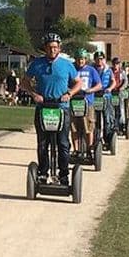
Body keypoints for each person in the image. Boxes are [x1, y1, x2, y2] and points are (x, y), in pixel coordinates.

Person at [21, 33, 80, 186]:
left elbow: (78, 83)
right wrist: (34, 94)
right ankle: (42, 173)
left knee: (63, 143)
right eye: (49, 47)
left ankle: (63, 174)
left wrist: (70, 93)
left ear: (59, 48)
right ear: (45, 48)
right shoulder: (37, 64)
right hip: (43, 107)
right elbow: (24, 82)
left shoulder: (67, 64)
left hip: (62, 107)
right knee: (42, 143)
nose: (52, 50)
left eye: (55, 47)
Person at [71, 49, 102, 152]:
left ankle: (89, 149)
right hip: (74, 102)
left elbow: (99, 85)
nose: (81, 61)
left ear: (86, 59)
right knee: (74, 127)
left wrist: (90, 90)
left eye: (83, 59)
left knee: (88, 127)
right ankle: (76, 150)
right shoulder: (71, 69)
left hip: (87, 102)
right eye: (79, 59)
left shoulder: (91, 70)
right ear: (75, 59)